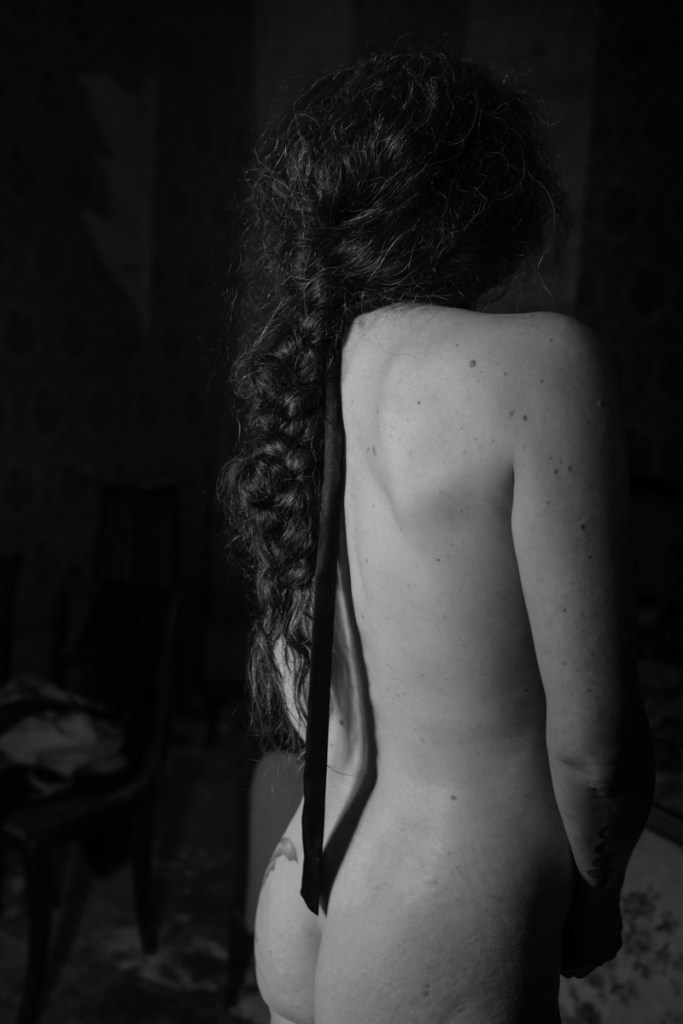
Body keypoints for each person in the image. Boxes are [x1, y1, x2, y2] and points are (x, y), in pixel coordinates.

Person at [221, 50, 655, 1024]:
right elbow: (596, 750)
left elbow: (305, 691)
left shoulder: (322, 362)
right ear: (495, 203)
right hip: (444, 914)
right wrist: (597, 897)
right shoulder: (540, 363)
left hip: (311, 877)